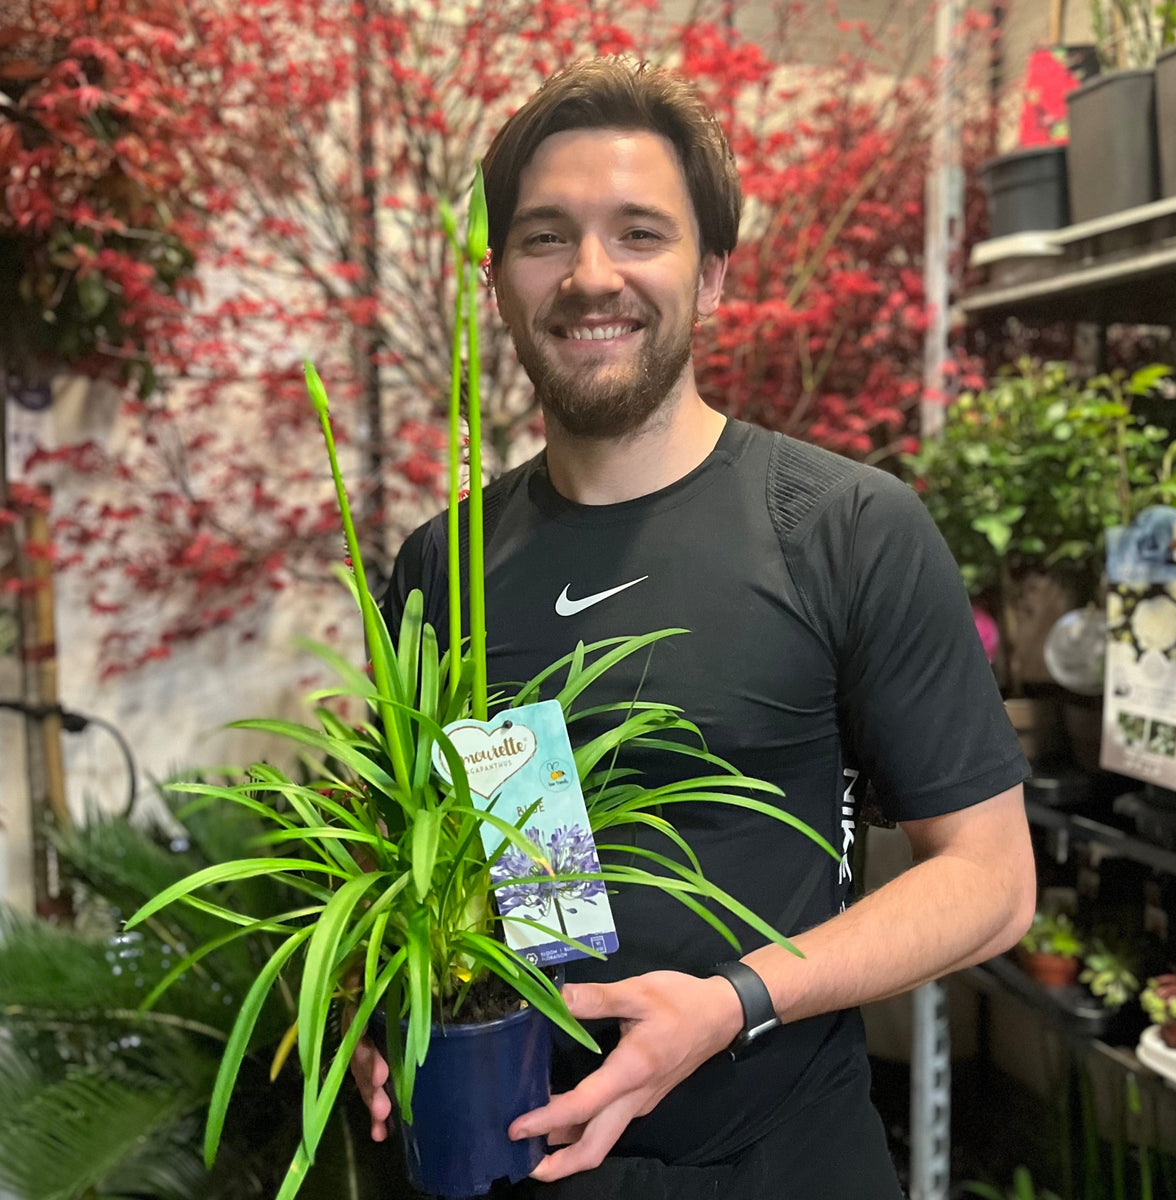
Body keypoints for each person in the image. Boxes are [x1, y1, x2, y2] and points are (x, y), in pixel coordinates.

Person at [352, 56, 1035, 1199]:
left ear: (712, 276)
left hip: (776, 1160)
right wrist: (385, 1013)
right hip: (523, 1159)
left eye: (640, 233)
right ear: (497, 280)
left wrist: (733, 1001)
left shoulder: (843, 529)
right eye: (544, 237)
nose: (589, 275)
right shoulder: (446, 564)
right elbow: (471, 874)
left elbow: (992, 880)